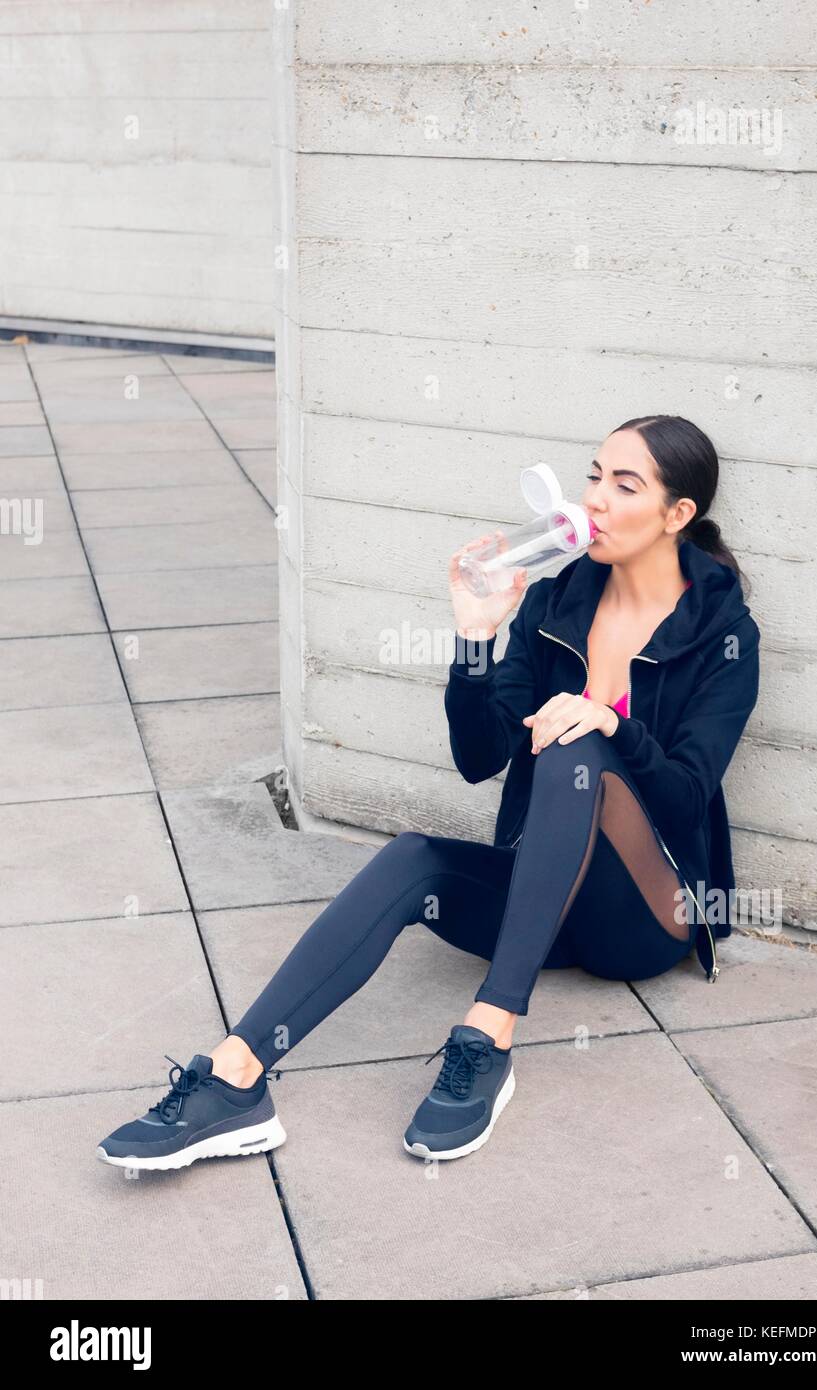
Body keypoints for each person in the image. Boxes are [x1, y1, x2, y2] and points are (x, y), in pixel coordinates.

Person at [96, 414, 760, 1171]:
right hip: (547, 909)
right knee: (416, 857)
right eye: (594, 476)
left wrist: (609, 723)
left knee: (578, 748)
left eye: (625, 485)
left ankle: (487, 1037)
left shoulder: (722, 633)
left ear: (677, 514)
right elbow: (479, 758)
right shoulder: (554, 605)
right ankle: (234, 1079)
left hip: (644, 917)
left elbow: (684, 796)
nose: (596, 499)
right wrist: (475, 638)